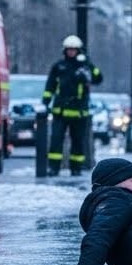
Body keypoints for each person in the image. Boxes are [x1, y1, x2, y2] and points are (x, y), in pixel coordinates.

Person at [42, 35, 103, 176]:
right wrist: (45, 102)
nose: (71, 52)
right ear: (65, 50)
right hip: (60, 112)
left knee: (78, 142)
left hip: (79, 113)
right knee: (56, 140)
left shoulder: (85, 67)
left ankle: (76, 168)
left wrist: (89, 65)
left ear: (79, 50)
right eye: (69, 49)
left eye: (74, 49)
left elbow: (98, 78)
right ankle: (54, 168)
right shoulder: (59, 66)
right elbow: (50, 86)